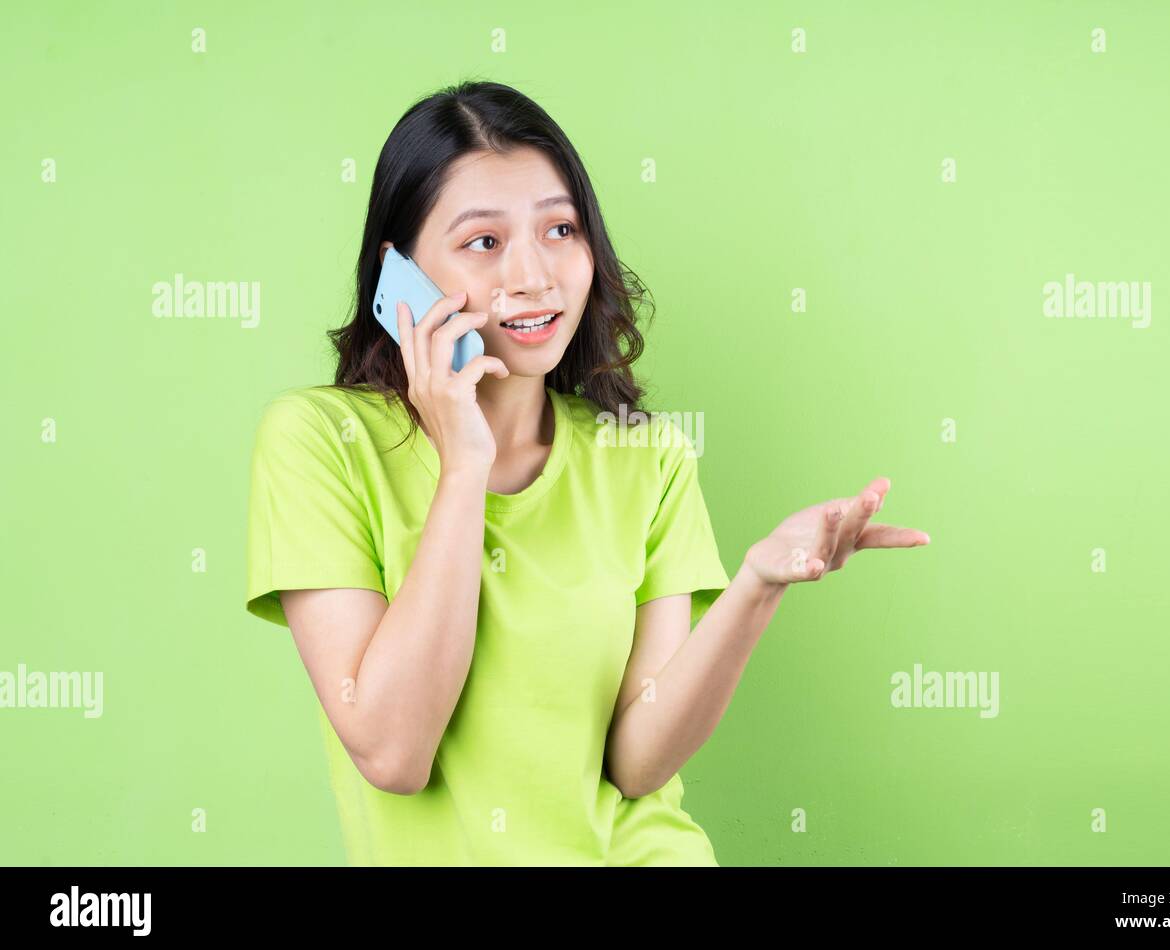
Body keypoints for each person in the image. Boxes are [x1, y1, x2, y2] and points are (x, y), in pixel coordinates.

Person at [245, 79, 930, 866]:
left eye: (560, 229)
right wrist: (464, 465)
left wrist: (757, 585)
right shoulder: (318, 442)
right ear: (398, 272)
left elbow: (636, 764)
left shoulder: (649, 459)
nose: (533, 275)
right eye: (484, 242)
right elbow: (395, 755)